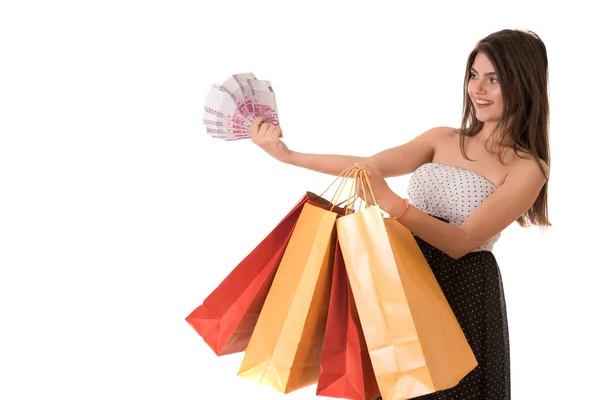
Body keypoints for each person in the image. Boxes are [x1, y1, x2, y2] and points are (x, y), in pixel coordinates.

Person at [250, 28, 550, 400]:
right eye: (474, 75)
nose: (478, 89)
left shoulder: (528, 167)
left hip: (464, 289)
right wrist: (287, 155)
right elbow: (366, 165)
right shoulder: (442, 138)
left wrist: (391, 203)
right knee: (391, 387)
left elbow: (461, 242)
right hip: (404, 274)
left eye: (494, 79)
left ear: (524, 83)